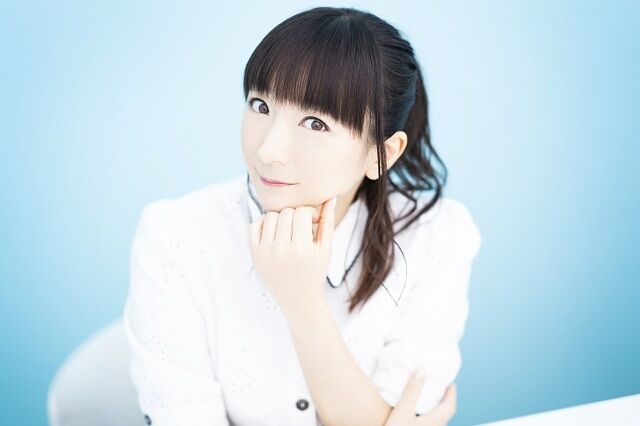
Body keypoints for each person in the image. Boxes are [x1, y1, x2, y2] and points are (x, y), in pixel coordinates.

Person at [123, 6, 481, 426]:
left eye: (315, 123)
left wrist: (303, 304)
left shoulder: (435, 237)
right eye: (260, 105)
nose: (268, 150)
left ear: (381, 153)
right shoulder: (176, 236)